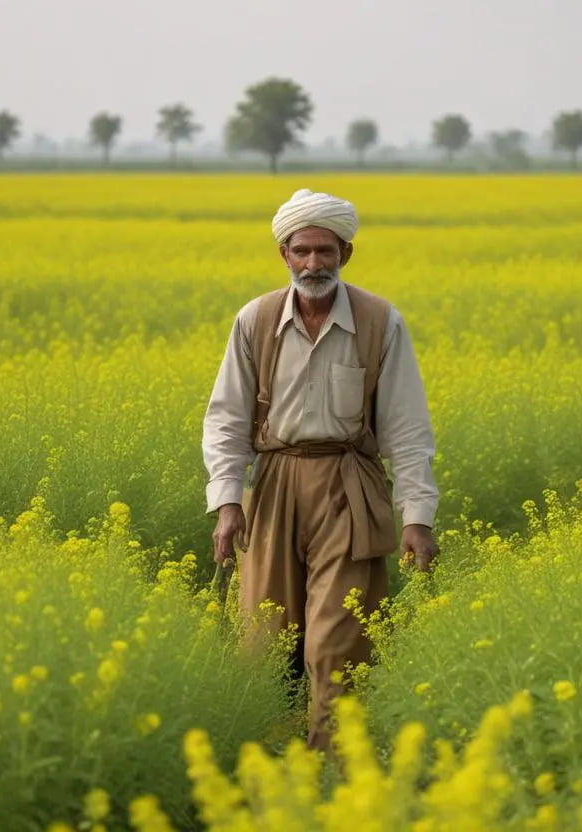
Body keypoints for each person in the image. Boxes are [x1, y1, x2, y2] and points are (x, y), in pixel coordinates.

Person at [202, 187, 439, 751]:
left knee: (338, 640)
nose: (314, 264)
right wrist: (228, 501)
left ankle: (332, 761)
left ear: (346, 255)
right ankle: (269, 759)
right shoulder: (255, 321)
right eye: (302, 251)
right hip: (275, 486)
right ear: (284, 253)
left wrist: (417, 518)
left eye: (326, 252)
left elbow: (407, 426)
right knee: (266, 639)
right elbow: (227, 417)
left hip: (348, 487)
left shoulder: (381, 321)